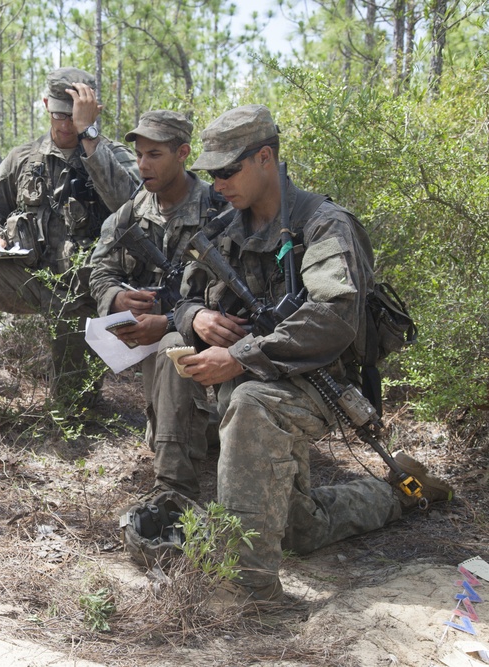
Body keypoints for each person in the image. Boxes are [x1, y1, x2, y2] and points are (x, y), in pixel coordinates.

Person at [175, 104, 452, 602]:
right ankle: (396, 494)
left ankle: (248, 592)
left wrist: (241, 356)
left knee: (251, 405)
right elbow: (180, 296)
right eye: (210, 174)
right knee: (299, 530)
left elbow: (333, 319)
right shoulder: (225, 228)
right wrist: (196, 318)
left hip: (323, 378)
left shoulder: (324, 225)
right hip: (262, 370)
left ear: (264, 158)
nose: (217, 183)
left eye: (227, 170)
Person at [0, 67, 140, 439]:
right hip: (28, 277)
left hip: (81, 290)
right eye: (58, 114)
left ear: (91, 111)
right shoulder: (22, 158)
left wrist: (91, 139)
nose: (65, 124)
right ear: (45, 106)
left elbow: (131, 204)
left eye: (74, 116)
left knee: (71, 413)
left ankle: (77, 399)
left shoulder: (113, 156)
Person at [89, 110, 224, 500]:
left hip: (211, 335)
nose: (142, 165)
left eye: (155, 155)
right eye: (139, 155)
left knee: (169, 350)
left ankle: (173, 489)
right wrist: (115, 295)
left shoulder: (218, 209)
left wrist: (167, 322)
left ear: (183, 153)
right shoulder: (133, 211)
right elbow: (99, 268)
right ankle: (190, 428)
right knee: (164, 433)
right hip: (156, 344)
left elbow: (233, 295)